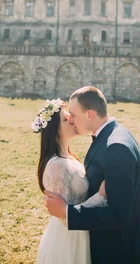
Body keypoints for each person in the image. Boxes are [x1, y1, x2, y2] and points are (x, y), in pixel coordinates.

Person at [45, 86, 140, 264]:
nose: (70, 119)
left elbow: (119, 215)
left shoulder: (117, 146)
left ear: (90, 115)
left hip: (118, 252)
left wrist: (67, 212)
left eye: (73, 114)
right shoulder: (110, 134)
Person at [33, 98, 107, 264]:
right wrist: (101, 196)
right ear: (54, 130)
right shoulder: (55, 165)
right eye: (66, 119)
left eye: (70, 117)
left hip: (80, 231)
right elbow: (63, 215)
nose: (72, 121)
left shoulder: (69, 157)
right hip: (68, 239)